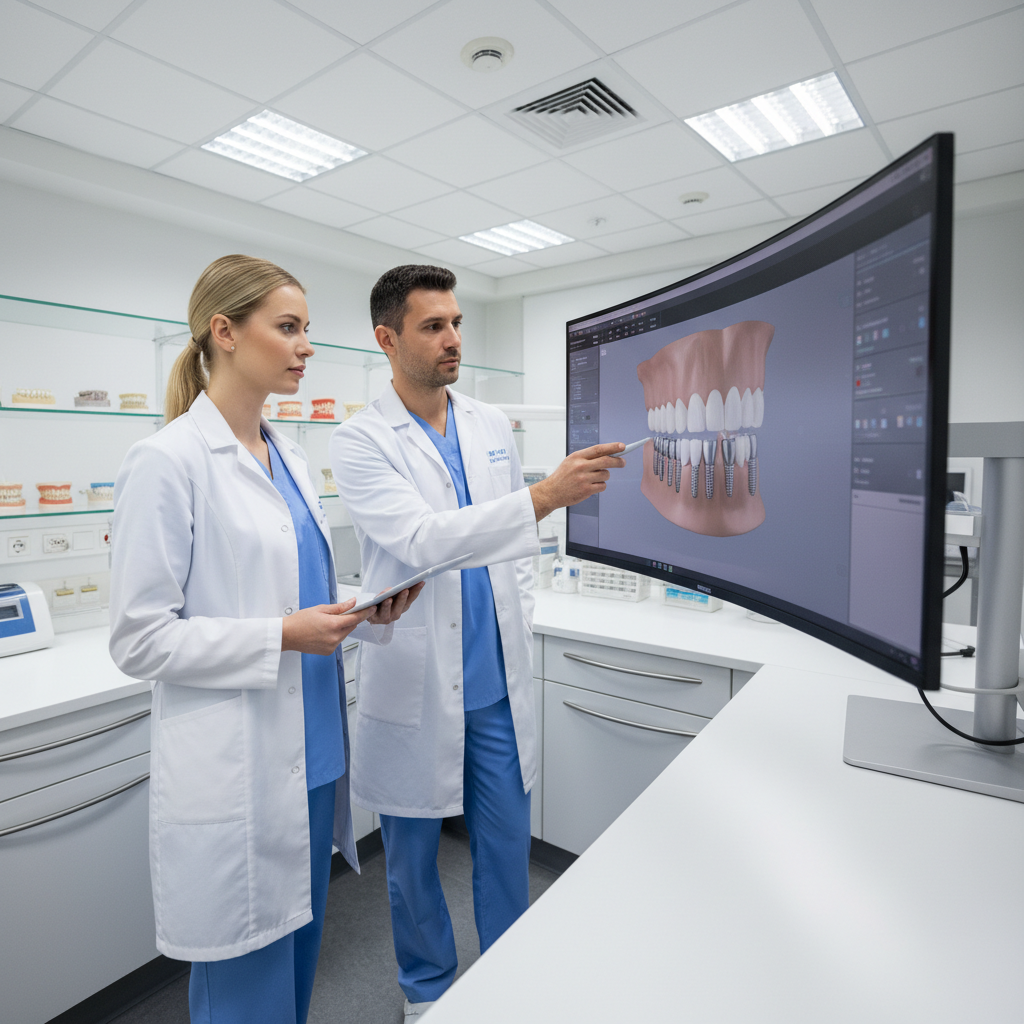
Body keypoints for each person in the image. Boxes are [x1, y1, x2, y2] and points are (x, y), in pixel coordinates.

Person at [109, 254, 422, 1024]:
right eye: (287, 328)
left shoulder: (288, 454)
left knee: (295, 980)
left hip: (311, 763)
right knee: (247, 995)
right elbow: (140, 640)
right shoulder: (167, 461)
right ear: (224, 332)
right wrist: (280, 636)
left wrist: (360, 607)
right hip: (240, 771)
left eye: (306, 329)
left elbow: (288, 592)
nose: (305, 346)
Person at [330, 264, 625, 1018]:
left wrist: (529, 549)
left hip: (494, 680)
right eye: (434, 327)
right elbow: (422, 540)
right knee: (413, 864)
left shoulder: (490, 424)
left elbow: (510, 548)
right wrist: (545, 494)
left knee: (504, 851)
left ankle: (509, 986)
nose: (453, 338)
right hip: (417, 683)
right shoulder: (362, 443)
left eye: (457, 322)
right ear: (387, 339)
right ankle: (425, 992)